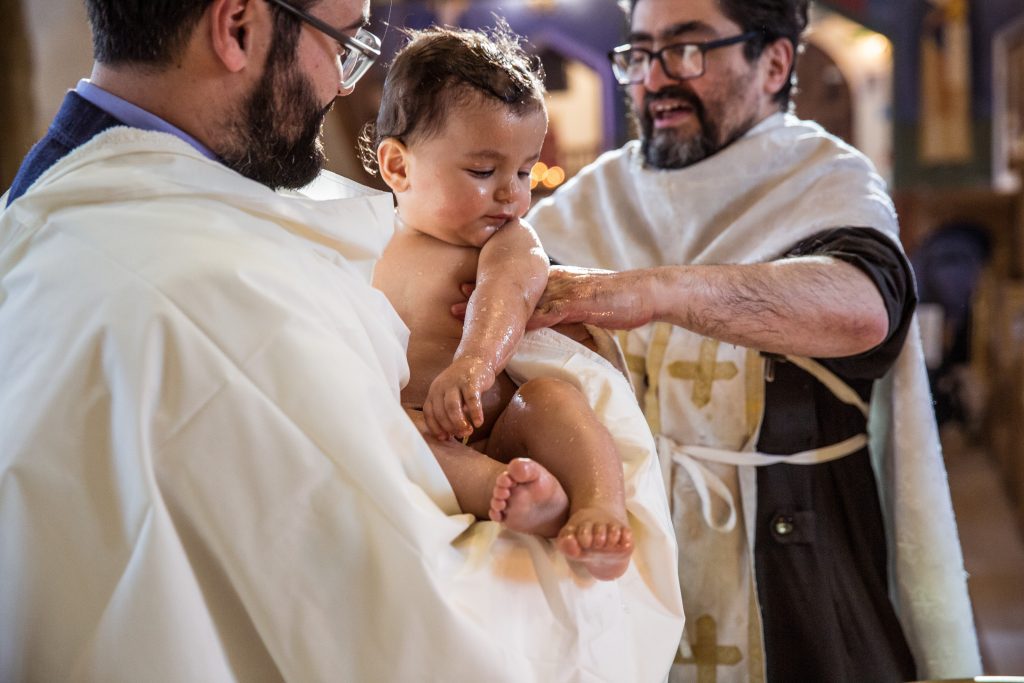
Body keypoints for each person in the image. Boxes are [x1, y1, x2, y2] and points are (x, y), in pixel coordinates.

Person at [0, 1, 685, 680]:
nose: (345, 84)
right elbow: (433, 633)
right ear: (237, 27)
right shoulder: (222, 298)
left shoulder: (47, 215)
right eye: (341, 43)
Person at [525, 0, 982, 680]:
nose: (654, 79)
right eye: (640, 55)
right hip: (619, 584)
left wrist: (657, 292)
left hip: (805, 591)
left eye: (686, 49)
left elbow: (864, 310)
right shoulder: (594, 198)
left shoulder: (826, 178)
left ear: (774, 62)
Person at [365, 25, 633, 580]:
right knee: (395, 430)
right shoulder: (363, 239)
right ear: (398, 167)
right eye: (484, 172)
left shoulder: (506, 242)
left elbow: (509, 289)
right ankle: (510, 494)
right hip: (425, 434)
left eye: (523, 171)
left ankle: (599, 506)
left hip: (501, 423)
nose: (512, 193)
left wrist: (474, 364)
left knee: (551, 398)